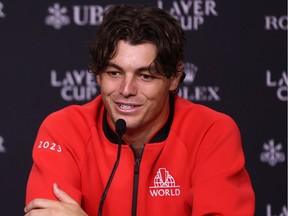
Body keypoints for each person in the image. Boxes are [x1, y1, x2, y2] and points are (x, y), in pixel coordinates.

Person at [25, 4, 255, 216]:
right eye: (114, 73)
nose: (126, 90)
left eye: (145, 76)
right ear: (97, 74)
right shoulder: (64, 130)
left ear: (174, 77)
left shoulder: (211, 132)